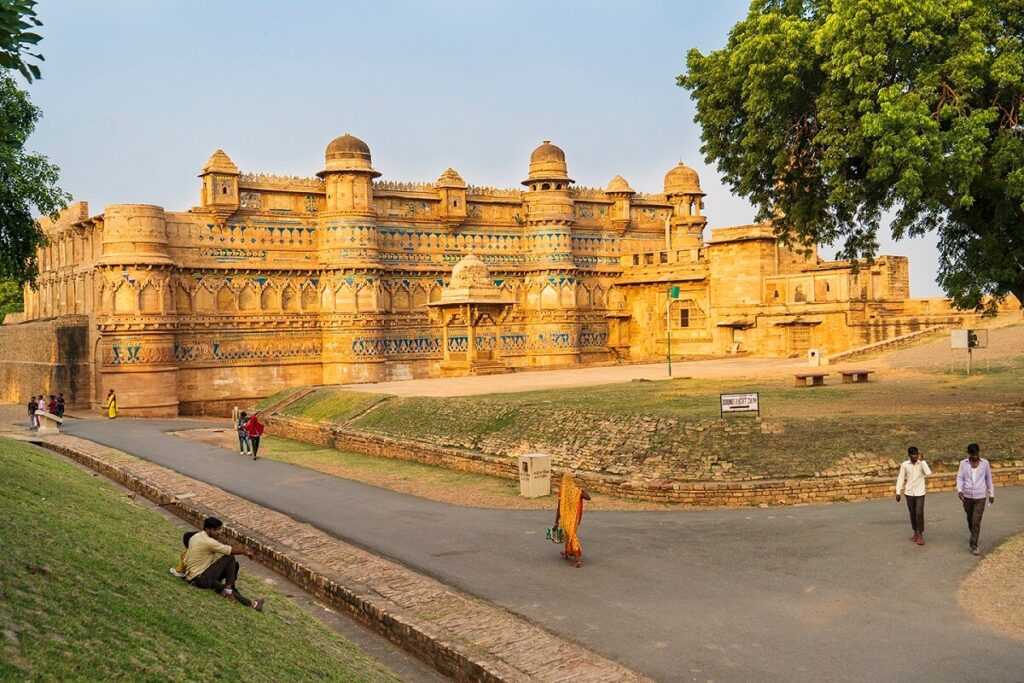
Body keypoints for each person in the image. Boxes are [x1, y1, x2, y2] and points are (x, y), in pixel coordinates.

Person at [184, 517, 263, 611]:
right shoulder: (208, 542)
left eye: (219, 529)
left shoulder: (195, 536)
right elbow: (229, 550)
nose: (219, 532)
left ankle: (253, 604)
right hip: (201, 578)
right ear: (207, 529)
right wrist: (245, 552)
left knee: (234, 565)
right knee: (230, 558)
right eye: (216, 530)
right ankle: (229, 591)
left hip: (194, 577)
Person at [956, 443, 994, 556]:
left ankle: (974, 544)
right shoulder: (963, 464)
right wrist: (959, 490)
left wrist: (991, 493)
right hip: (966, 496)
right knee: (970, 519)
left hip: (980, 496)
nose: (975, 456)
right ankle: (974, 534)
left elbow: (988, 479)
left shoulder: (985, 463)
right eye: (973, 454)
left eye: (977, 454)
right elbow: (960, 478)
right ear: (969, 454)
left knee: (975, 520)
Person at [553, 473, 591, 568]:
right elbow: (588, 497)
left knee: (571, 537)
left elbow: (559, 508)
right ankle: (567, 552)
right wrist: (581, 490)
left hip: (566, 519)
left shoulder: (562, 492)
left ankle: (577, 560)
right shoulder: (576, 491)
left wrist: (556, 522)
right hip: (574, 519)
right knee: (568, 535)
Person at [895, 446, 931, 545]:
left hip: (920, 493)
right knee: (912, 513)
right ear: (909, 455)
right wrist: (898, 492)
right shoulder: (905, 465)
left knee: (919, 512)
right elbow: (901, 478)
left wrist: (923, 462)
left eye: (916, 454)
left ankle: (920, 534)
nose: (915, 456)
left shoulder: (921, 464)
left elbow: (928, 473)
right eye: (913, 454)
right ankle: (915, 531)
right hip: (909, 493)